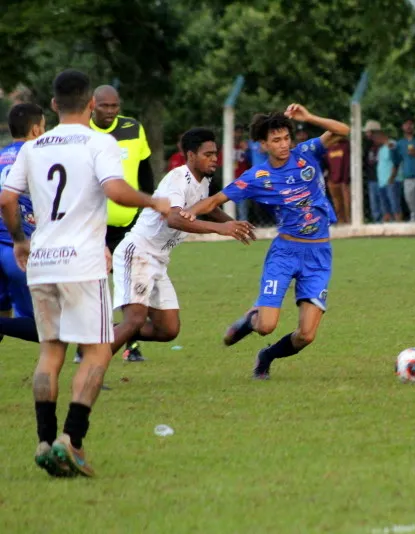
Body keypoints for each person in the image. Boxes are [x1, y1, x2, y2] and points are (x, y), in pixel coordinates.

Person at [0, 69, 170, 477]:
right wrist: (154, 201)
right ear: (92, 104)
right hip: (82, 261)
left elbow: (7, 199)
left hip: (41, 262)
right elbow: (115, 190)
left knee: (50, 352)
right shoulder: (100, 142)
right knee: (95, 350)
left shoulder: (33, 147)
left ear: (55, 105)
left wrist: (21, 240)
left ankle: (44, 440)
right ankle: (71, 440)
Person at [186, 104, 348, 380]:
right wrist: (186, 212)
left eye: (286, 138)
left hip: (319, 253)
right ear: (262, 145)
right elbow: (215, 200)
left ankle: (267, 356)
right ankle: (252, 319)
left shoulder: (307, 153)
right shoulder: (257, 177)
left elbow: (343, 131)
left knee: (306, 335)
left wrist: (309, 117)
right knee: (266, 326)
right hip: (285, 252)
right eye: (276, 140)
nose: (284, 145)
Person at [108, 128, 255, 361]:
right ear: (191, 155)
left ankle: (101, 335)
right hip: (138, 252)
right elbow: (174, 217)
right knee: (135, 319)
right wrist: (220, 229)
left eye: (215, 153)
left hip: (157, 260)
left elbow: (208, 207)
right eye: (208, 154)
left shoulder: (202, 182)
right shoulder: (178, 178)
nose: (214, 158)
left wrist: (233, 223)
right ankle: (91, 366)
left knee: (168, 330)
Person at [86, 84, 155, 363]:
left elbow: (145, 171)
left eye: (115, 106)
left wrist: (149, 207)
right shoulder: (81, 133)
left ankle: (132, 344)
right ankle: (89, 345)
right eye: (105, 106)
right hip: (93, 227)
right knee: (95, 286)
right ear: (92, 105)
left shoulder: (132, 128)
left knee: (134, 286)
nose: (111, 111)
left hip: (131, 224)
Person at [0, 103, 45, 344]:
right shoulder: (37, 156)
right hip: (18, 248)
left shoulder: (1, 155)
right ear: (37, 129)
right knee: (42, 327)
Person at [375, 128, 403, 222]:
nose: (375, 140)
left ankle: (399, 225)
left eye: (377, 137)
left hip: (392, 180)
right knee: (385, 208)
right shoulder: (381, 149)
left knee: (395, 205)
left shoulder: (391, 144)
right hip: (382, 182)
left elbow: (396, 159)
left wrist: (392, 177)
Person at [324, 136, 351, 224]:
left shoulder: (345, 146)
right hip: (332, 180)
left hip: (344, 181)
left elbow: (347, 163)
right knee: (337, 204)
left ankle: (349, 222)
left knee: (347, 204)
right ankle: (340, 222)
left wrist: (345, 179)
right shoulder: (328, 147)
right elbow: (325, 163)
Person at [363, 120, 383, 223]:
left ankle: (387, 224)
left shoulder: (383, 145)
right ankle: (378, 224)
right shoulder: (368, 146)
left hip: (383, 179)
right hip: (372, 179)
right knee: (374, 205)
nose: (366, 134)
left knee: (384, 203)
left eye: (368, 132)